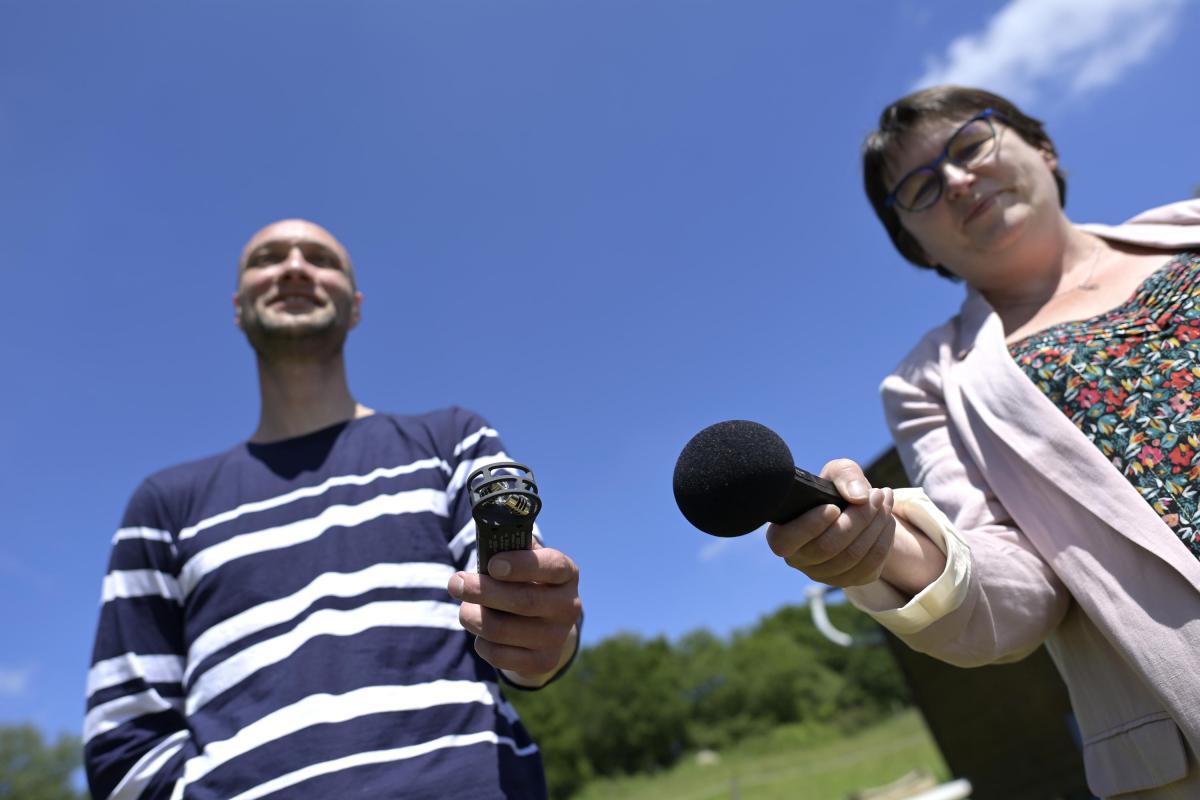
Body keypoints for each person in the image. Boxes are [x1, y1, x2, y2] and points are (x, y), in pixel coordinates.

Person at [765, 86, 1200, 799]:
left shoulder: (1191, 226)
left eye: (969, 146)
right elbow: (1014, 596)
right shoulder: (930, 385)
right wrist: (885, 550)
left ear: (1043, 147)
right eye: (921, 187)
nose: (958, 181)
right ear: (915, 244)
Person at [83, 219, 582, 800]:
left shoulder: (452, 441)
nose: (294, 266)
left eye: (319, 258)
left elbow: (523, 627)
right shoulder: (164, 505)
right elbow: (124, 743)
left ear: (356, 306)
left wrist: (542, 637)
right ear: (239, 306)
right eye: (268, 257)